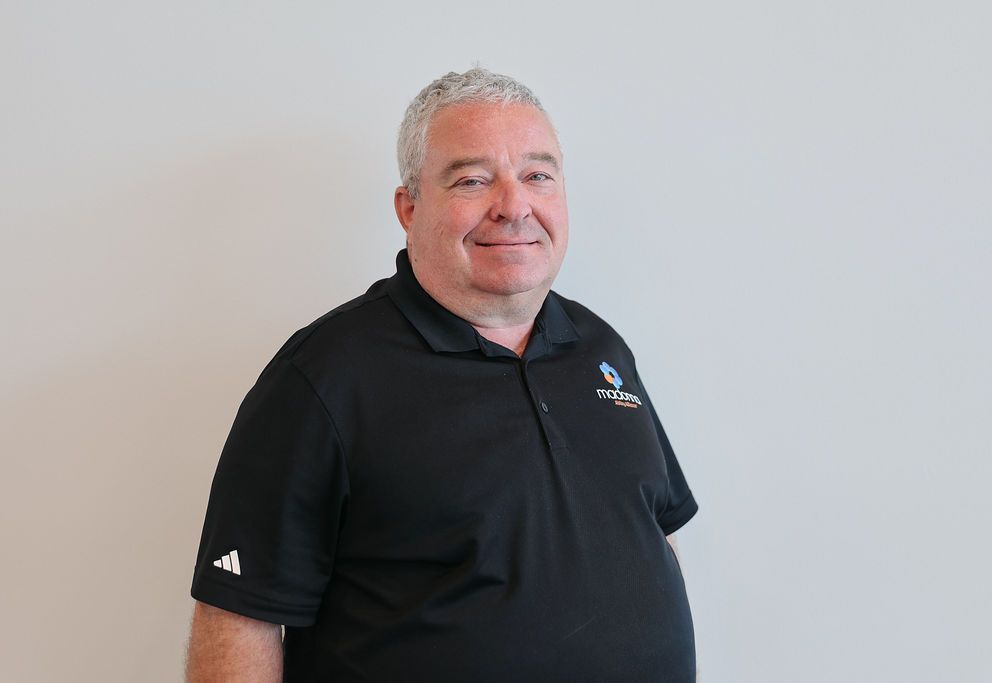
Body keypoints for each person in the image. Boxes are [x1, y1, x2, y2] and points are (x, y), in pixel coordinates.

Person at [186, 68, 699, 682]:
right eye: (473, 180)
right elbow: (240, 615)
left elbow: (655, 536)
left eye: (538, 175)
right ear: (409, 207)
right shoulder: (323, 378)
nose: (514, 206)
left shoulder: (598, 347)